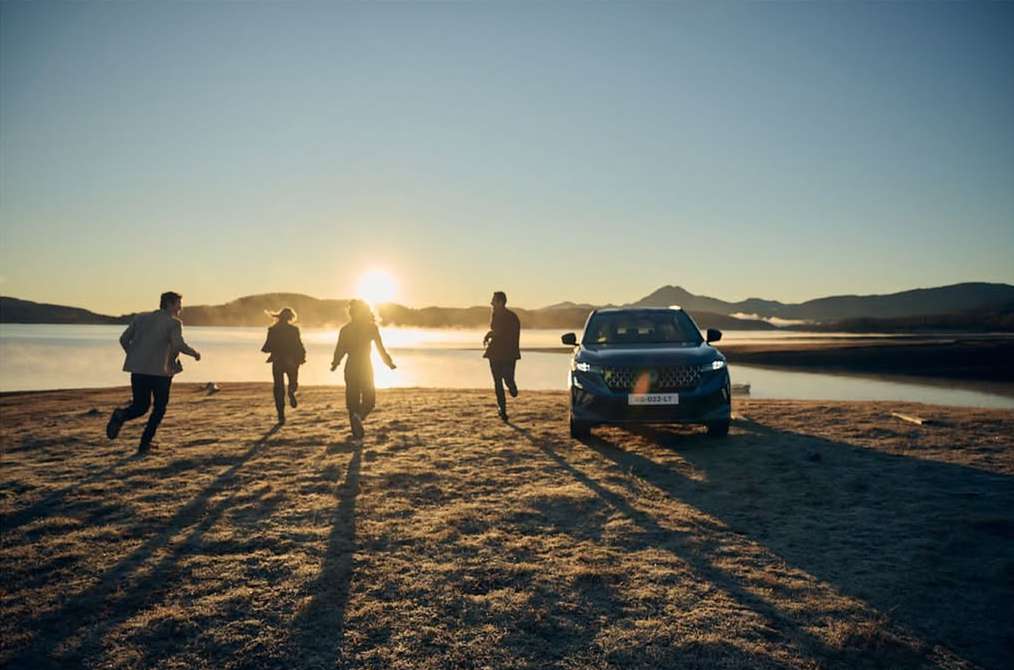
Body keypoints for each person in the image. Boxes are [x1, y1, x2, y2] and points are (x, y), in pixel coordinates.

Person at [106, 291, 201, 454]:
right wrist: (194, 354)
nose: (181, 308)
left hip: (138, 370)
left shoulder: (140, 318)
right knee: (159, 408)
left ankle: (121, 415)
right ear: (170, 304)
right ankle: (144, 444)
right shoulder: (173, 323)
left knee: (140, 406)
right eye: (179, 304)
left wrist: (134, 355)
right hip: (160, 372)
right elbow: (178, 345)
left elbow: (123, 339)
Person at [330, 299, 396, 439]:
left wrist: (335, 363)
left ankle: (356, 427)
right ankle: (358, 418)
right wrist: (388, 362)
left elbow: (340, 349)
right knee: (370, 400)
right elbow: (380, 348)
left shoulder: (346, 329)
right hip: (365, 366)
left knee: (352, 400)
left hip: (351, 366)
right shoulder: (371, 328)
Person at [261, 307, 306, 424]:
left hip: (278, 361)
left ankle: (281, 414)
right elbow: (299, 345)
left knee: (278, 387)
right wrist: (302, 357)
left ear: (279, 317)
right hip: (292, 361)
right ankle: (291, 391)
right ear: (291, 318)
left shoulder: (273, 330)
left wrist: (267, 349)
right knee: (293, 382)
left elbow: (267, 346)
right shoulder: (294, 330)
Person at [483, 290, 521, 422]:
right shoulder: (502, 315)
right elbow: (497, 331)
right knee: (499, 380)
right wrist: (491, 335)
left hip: (505, 353)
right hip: (500, 353)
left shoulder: (508, 317)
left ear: (500, 302)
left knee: (503, 378)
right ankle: (502, 408)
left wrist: (489, 335)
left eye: (494, 300)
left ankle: (510, 387)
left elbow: (499, 332)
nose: (491, 302)